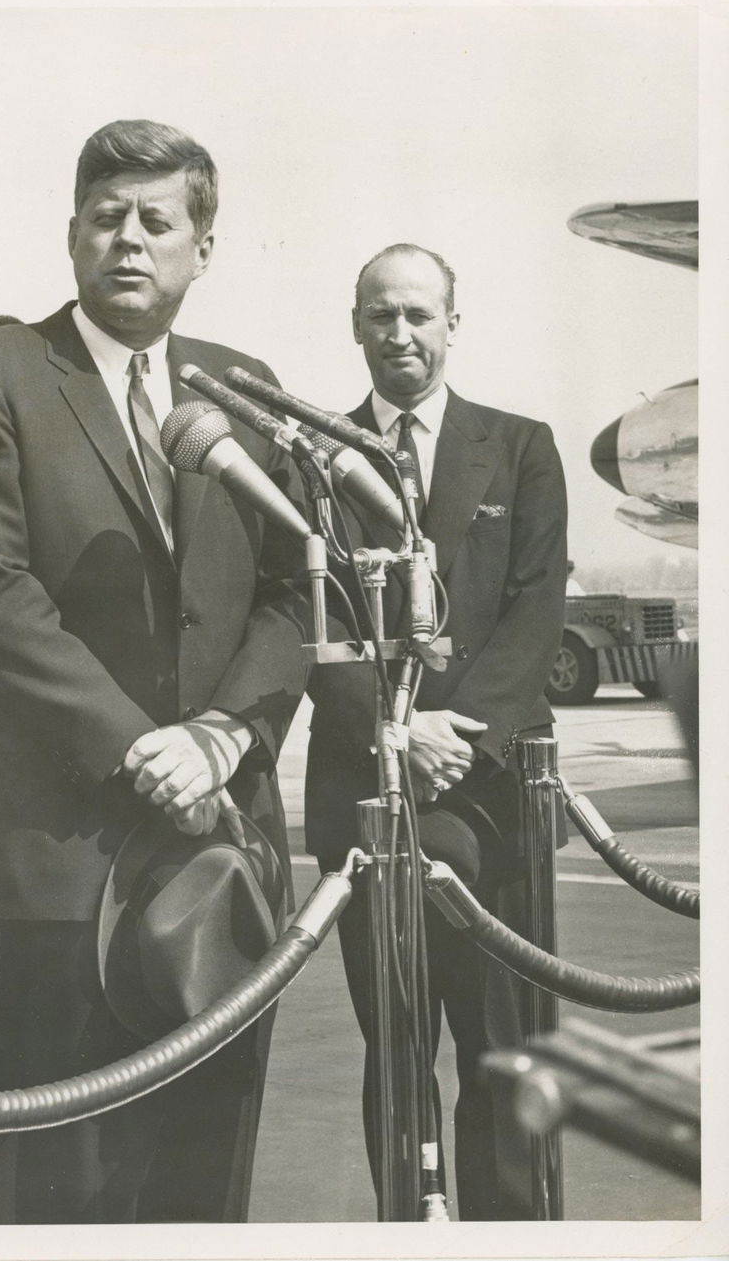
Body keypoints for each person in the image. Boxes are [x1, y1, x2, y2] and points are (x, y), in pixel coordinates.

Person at [0, 119, 310, 1223]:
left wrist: (225, 734)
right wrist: (141, 744)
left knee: (206, 1177)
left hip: (223, 848)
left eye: (157, 220)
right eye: (106, 219)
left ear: (204, 247)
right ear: (71, 236)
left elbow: (295, 588)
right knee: (75, 1188)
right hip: (70, 855)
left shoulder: (243, 388)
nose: (129, 241)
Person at [305, 243, 568, 1219]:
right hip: (368, 804)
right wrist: (395, 728)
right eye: (381, 315)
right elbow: (307, 621)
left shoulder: (520, 445)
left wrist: (463, 733)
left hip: (491, 804)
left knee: (503, 1055)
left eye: (419, 315)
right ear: (355, 324)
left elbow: (537, 609)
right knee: (397, 1053)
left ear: (453, 324)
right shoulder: (315, 459)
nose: (400, 334)